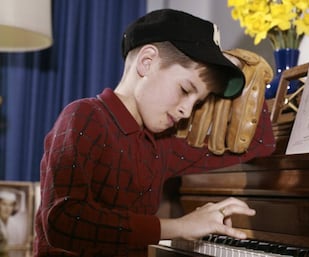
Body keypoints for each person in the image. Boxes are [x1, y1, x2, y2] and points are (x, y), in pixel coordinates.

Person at [34, 9, 276, 257]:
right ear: (146, 62)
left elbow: (258, 146)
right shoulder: (84, 116)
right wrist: (179, 226)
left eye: (199, 102)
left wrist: (253, 81)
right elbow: (62, 222)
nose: (187, 110)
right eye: (185, 89)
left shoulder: (161, 144)